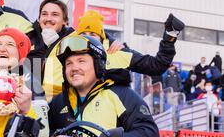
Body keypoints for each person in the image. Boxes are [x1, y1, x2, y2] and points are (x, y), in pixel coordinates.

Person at [41, 9, 184, 101]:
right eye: (83, 34)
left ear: (102, 37)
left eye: (93, 34)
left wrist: (170, 37)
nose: (87, 37)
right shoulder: (67, 55)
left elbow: (156, 66)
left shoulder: (117, 53)